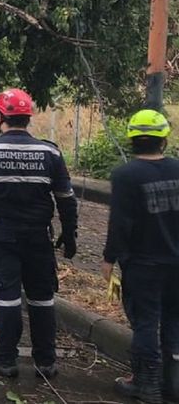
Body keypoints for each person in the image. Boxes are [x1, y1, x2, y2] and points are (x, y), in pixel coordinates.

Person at [0, 88, 77, 379]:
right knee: (42, 297)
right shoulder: (50, 152)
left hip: (1, 235)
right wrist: (69, 233)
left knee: (7, 297)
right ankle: (45, 362)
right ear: (28, 118)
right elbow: (66, 198)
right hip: (38, 237)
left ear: (0, 117)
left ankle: (5, 358)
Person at [101, 109, 179, 402]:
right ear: (164, 139)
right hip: (176, 263)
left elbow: (120, 223)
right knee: (174, 321)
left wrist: (109, 258)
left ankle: (146, 384)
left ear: (132, 140)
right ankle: (172, 384)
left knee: (146, 322)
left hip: (144, 265)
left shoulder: (126, 176)